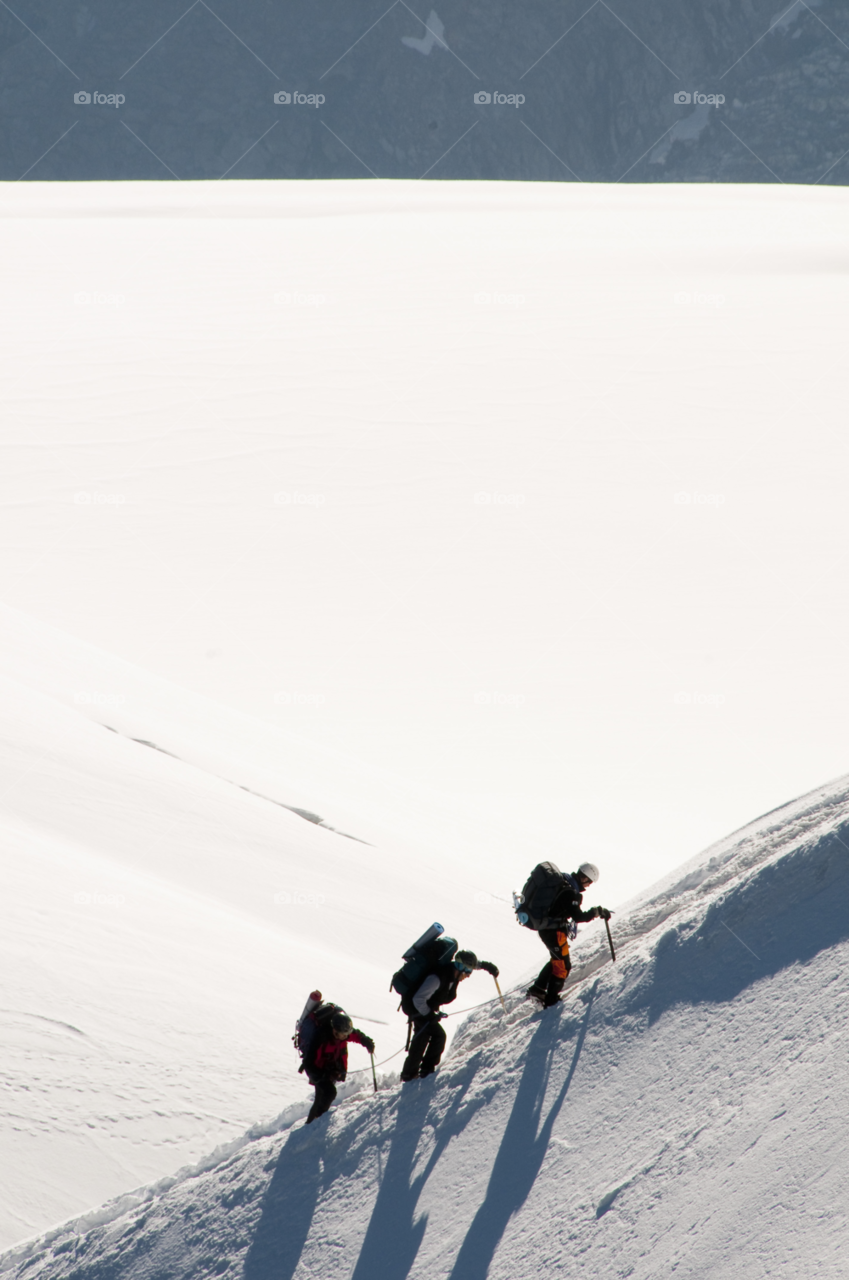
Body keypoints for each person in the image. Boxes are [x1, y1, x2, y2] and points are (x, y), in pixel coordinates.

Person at [400, 948, 499, 1082]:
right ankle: (423, 1072)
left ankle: (412, 1074)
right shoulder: (437, 978)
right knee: (436, 1036)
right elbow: (418, 999)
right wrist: (430, 1015)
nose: (469, 975)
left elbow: (470, 964)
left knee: (426, 1035)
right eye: (468, 971)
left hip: (424, 1008)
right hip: (416, 1008)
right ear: (460, 967)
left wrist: (485, 966)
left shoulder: (455, 972)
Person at [527, 862, 611, 1008]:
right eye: (589, 881)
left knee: (557, 959)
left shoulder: (564, 881)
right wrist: (596, 912)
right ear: (584, 878)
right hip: (554, 932)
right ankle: (551, 1000)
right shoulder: (570, 892)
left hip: (547, 928)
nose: (588, 885)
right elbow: (579, 917)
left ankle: (538, 989)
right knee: (563, 966)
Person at [302, 1009, 375, 1124]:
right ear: (335, 1031)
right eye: (343, 1035)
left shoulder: (342, 1033)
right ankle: (318, 1120)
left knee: (320, 1098)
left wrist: (365, 1041)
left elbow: (355, 1035)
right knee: (328, 1093)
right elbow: (309, 1063)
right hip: (319, 1072)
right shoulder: (321, 1037)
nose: (346, 1037)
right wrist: (322, 1075)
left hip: (332, 1070)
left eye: (347, 1034)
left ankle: (313, 1122)